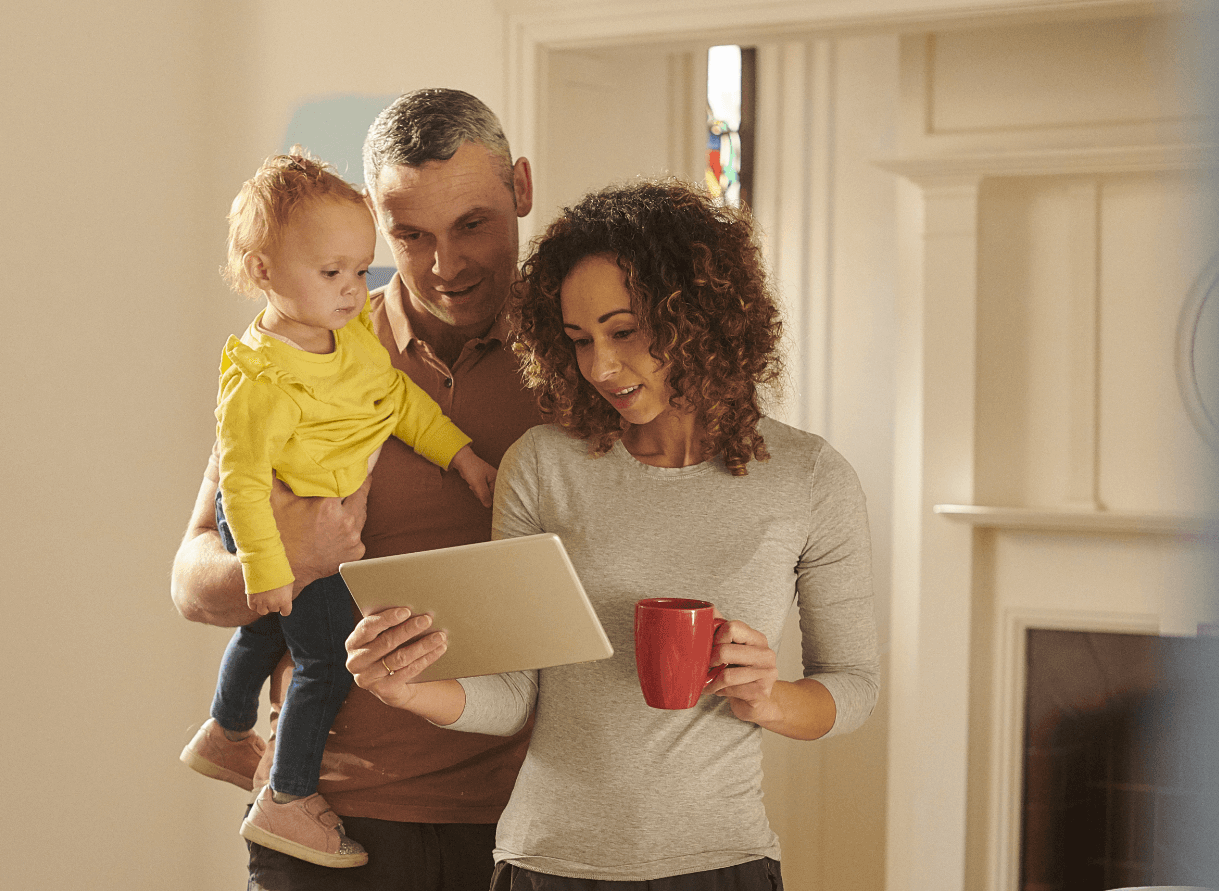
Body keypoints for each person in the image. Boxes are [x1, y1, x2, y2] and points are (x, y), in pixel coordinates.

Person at [345, 178, 881, 890]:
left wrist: (771, 697)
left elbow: (853, 685)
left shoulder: (810, 478)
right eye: (578, 340)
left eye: (624, 331)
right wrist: (407, 688)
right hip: (543, 861)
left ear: (701, 315)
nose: (600, 367)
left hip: (720, 862)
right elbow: (514, 693)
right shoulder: (542, 465)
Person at [171, 88, 542, 891]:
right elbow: (191, 579)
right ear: (376, 220)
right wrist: (286, 560)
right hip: (331, 820)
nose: (445, 264)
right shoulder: (300, 357)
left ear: (521, 188)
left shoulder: (587, 357)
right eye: (410, 235)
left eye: (473, 224)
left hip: (533, 820)